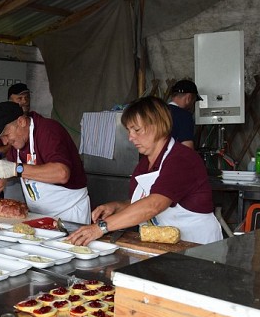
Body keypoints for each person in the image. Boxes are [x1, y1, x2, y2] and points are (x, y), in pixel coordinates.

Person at [67, 96, 222, 245]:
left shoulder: (181, 159)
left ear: (158, 126)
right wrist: (117, 206)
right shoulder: (144, 164)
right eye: (129, 131)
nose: (131, 137)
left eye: (137, 130)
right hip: (166, 244)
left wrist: (101, 227)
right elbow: (141, 202)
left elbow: (154, 205)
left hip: (197, 245)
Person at [0, 101, 91, 224]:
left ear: (21, 122)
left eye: (6, 135)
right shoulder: (17, 142)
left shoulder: (48, 131)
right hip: (38, 216)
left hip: (69, 214)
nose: (5, 142)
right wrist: (3, 178)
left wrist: (15, 169)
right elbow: (13, 167)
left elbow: (61, 173)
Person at [168, 79, 203, 149]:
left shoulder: (158, 112)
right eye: (194, 101)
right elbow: (187, 148)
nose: (192, 104)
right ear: (188, 98)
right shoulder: (184, 116)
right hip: (174, 155)